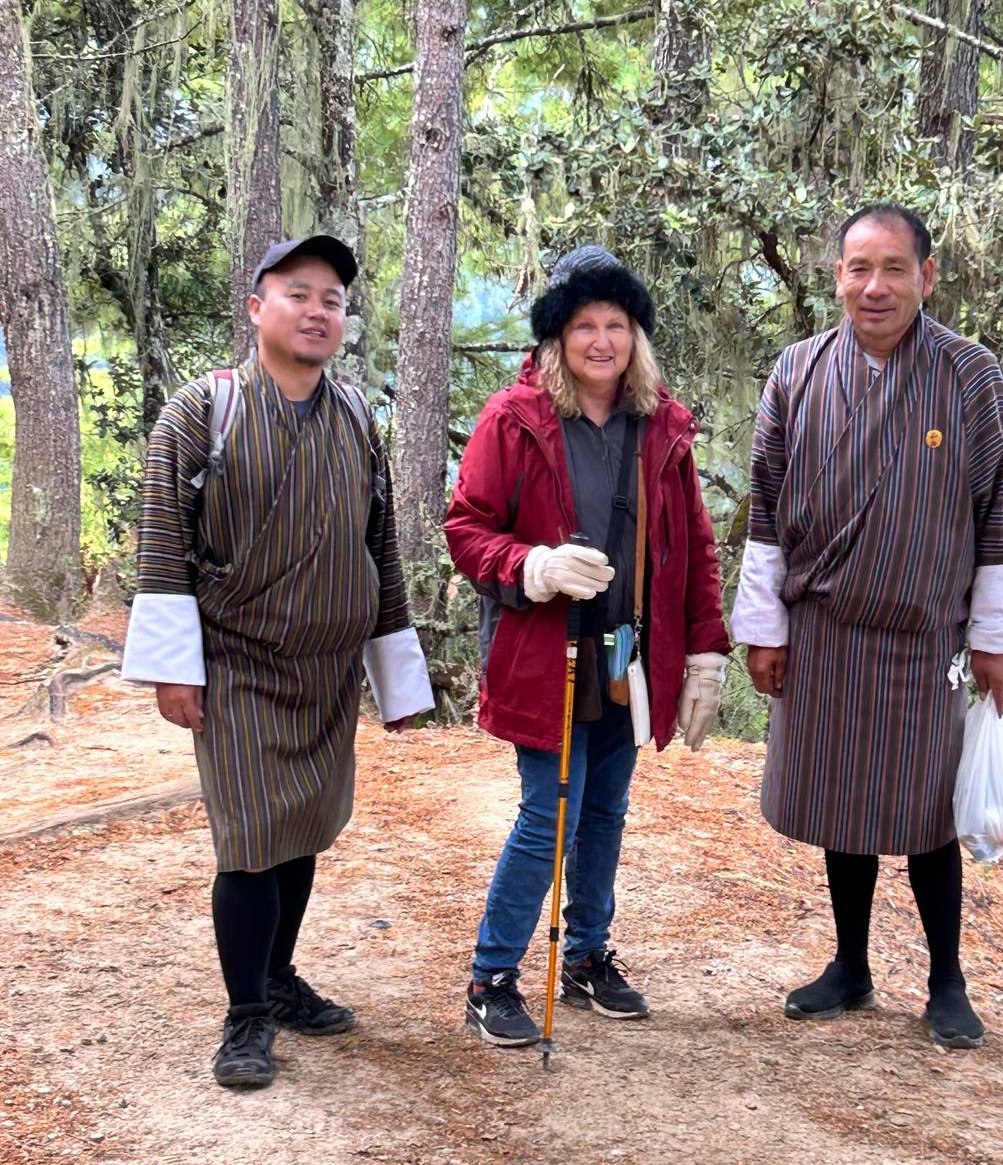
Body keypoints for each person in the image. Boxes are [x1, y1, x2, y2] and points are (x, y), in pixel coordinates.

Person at [120, 235, 434, 1089]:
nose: (317, 311)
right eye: (299, 293)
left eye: (333, 299)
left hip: (328, 671)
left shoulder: (356, 416)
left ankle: (280, 977)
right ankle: (246, 1015)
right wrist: (173, 668)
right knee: (252, 840)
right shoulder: (204, 410)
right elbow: (163, 544)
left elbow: (380, 546)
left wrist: (395, 676)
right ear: (257, 308)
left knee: (302, 829)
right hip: (239, 665)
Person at [730, 203, 1003, 1052]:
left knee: (927, 816)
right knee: (843, 804)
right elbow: (765, 508)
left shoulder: (968, 374)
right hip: (824, 631)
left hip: (923, 637)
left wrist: (996, 637)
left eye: (894, 268)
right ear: (837, 276)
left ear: (926, 277)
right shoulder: (798, 370)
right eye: (859, 268)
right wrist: (764, 626)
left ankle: (947, 982)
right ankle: (851, 965)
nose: (875, 286)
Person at [444, 246, 729, 1046]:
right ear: (557, 338)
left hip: (627, 654)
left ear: (636, 336)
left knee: (605, 810)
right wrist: (531, 566)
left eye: (617, 325)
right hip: (547, 652)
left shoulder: (661, 425)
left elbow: (695, 548)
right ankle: (492, 977)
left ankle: (587, 956)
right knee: (550, 815)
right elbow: (466, 530)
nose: (602, 341)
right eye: (584, 326)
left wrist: (706, 651)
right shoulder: (515, 419)